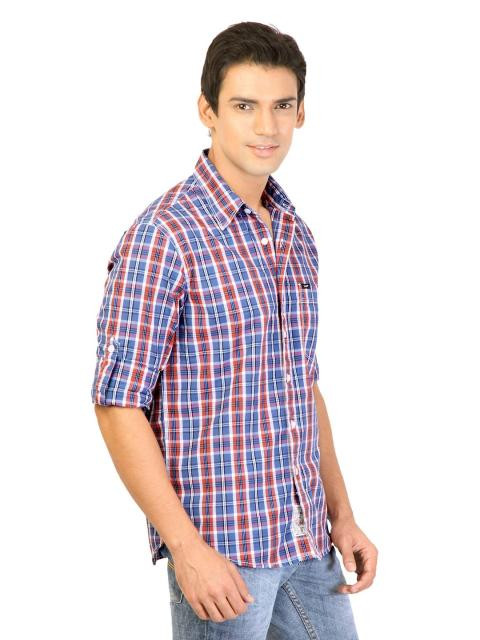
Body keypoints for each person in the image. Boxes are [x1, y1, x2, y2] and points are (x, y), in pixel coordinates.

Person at [91, 20, 377, 640]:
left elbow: (302, 386)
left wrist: (342, 514)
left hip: (305, 539)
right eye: (245, 106)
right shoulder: (164, 237)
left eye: (282, 106)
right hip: (222, 551)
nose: (266, 126)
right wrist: (186, 548)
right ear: (208, 111)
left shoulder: (294, 234)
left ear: (301, 113)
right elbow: (118, 405)